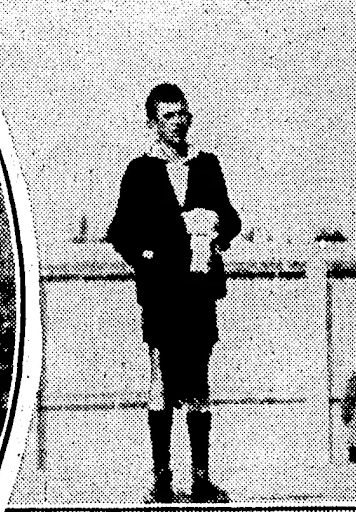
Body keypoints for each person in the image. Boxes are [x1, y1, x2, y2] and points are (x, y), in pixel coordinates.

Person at [106, 83, 241, 504]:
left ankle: (201, 478)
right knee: (160, 381)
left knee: (198, 380)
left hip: (199, 288)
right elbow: (120, 232)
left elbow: (233, 218)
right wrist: (146, 257)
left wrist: (220, 228)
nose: (178, 122)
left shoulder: (207, 166)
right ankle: (162, 479)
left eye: (182, 113)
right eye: (168, 115)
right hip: (162, 292)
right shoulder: (141, 171)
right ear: (153, 123)